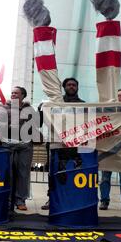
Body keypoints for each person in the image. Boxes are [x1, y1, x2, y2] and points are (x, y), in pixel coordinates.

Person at [41, 77, 85, 210]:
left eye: (74, 85)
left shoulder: (83, 104)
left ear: (77, 87)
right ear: (64, 88)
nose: (71, 87)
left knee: (75, 174)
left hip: (76, 146)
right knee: (54, 173)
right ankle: (52, 199)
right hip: (57, 145)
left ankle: (73, 200)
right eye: (69, 85)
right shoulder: (55, 103)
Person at [1, 86, 35, 211]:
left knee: (23, 173)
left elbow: (35, 125)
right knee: (7, 173)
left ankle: (20, 200)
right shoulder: (4, 108)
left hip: (24, 145)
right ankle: (7, 200)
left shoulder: (30, 109)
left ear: (23, 96)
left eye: (16, 93)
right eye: (12, 93)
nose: (13, 95)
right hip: (7, 144)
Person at [99, 89, 121, 212]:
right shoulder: (109, 112)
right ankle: (104, 201)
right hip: (108, 149)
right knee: (105, 178)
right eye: (118, 96)